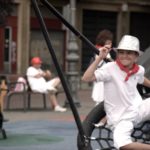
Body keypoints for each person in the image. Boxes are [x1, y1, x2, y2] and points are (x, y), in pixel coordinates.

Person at [82, 35, 150, 150]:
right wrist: (99, 58)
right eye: (121, 52)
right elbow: (86, 78)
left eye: (129, 53)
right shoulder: (110, 69)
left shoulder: (139, 70)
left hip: (138, 109)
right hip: (121, 118)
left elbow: (141, 79)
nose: (124, 56)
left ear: (136, 56)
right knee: (122, 144)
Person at [92, 29, 114, 106]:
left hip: (102, 79)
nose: (110, 43)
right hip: (102, 79)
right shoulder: (102, 50)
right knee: (101, 104)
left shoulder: (99, 49)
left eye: (110, 42)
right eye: (108, 42)